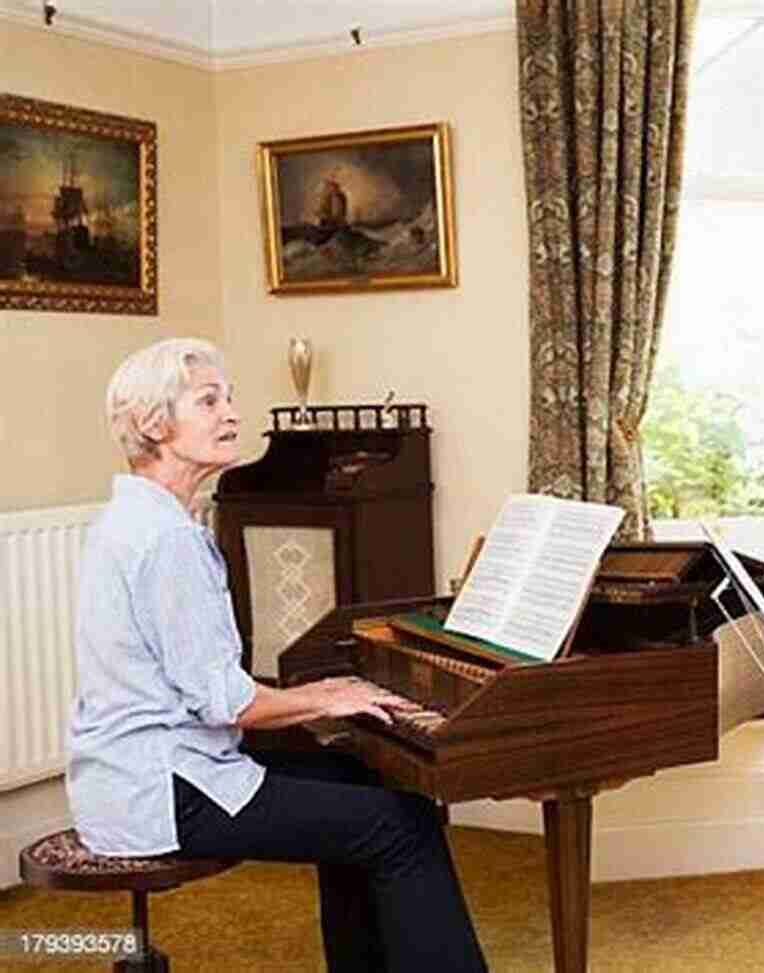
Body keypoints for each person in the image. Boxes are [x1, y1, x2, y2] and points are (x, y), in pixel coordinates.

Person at [66, 338, 487, 973]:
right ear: (155, 424)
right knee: (400, 827)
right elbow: (228, 703)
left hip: (143, 770)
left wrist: (324, 703)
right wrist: (329, 696)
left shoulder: (139, 519)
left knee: (365, 781)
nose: (231, 412)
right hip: (164, 788)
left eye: (229, 396)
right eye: (208, 400)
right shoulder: (166, 541)